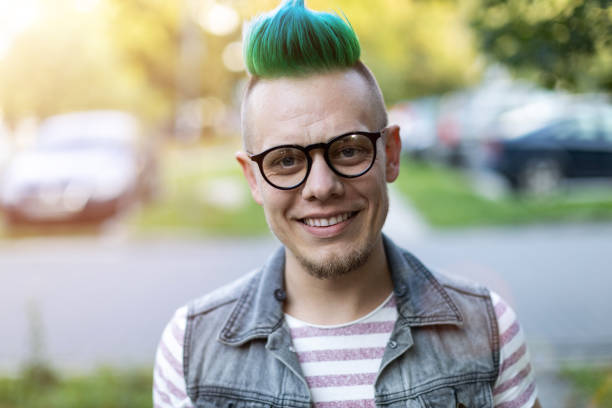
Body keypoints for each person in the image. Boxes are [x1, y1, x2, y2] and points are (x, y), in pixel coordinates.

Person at [153, 1, 540, 407]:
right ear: (252, 178)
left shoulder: (489, 329)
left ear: (391, 153)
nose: (322, 187)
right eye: (285, 160)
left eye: (349, 150)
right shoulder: (191, 350)